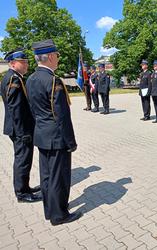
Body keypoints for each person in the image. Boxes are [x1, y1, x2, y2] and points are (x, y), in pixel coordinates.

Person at [26, 39, 81, 225]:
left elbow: (32, 110)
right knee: (60, 177)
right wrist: (70, 141)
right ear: (50, 56)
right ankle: (60, 215)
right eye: (56, 55)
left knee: (47, 177)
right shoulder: (53, 80)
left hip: (41, 135)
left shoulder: (31, 79)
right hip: (57, 137)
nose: (58, 58)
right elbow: (62, 115)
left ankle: (50, 211)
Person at [0, 48, 41, 203]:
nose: (26, 65)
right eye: (22, 62)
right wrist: (23, 132)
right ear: (12, 64)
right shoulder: (14, 80)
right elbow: (15, 109)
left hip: (19, 128)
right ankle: (22, 193)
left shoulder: (12, 77)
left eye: (26, 62)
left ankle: (25, 187)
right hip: (20, 129)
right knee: (22, 160)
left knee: (23, 159)